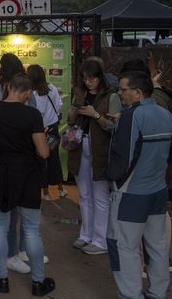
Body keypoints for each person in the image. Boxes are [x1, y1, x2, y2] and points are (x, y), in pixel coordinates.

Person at [104, 71, 172, 299]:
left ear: (137, 92)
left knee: (123, 247)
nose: (119, 93)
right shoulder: (165, 114)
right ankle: (157, 293)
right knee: (157, 246)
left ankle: (131, 295)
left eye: (122, 89)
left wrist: (111, 178)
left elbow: (122, 159)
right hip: (157, 191)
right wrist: (157, 163)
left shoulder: (131, 116)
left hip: (131, 193)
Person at [0, 73, 56, 297]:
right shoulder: (32, 114)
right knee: (31, 229)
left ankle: (1, 278)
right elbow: (43, 151)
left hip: (0, 171)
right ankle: (38, 282)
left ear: (8, 87)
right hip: (28, 174)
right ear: (28, 93)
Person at [67, 60, 120, 255]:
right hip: (80, 147)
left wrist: (95, 115)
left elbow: (114, 126)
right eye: (85, 79)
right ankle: (85, 235)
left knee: (100, 197)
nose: (88, 82)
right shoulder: (79, 92)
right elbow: (69, 120)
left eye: (92, 79)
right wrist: (75, 111)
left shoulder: (112, 96)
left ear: (100, 77)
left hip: (101, 150)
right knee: (85, 195)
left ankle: (100, 240)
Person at [27, 64, 65, 201]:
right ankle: (60, 189)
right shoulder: (52, 88)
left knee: (41, 160)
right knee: (55, 158)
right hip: (53, 127)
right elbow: (60, 105)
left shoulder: (33, 94)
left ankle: (46, 193)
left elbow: (37, 113)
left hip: (40, 130)